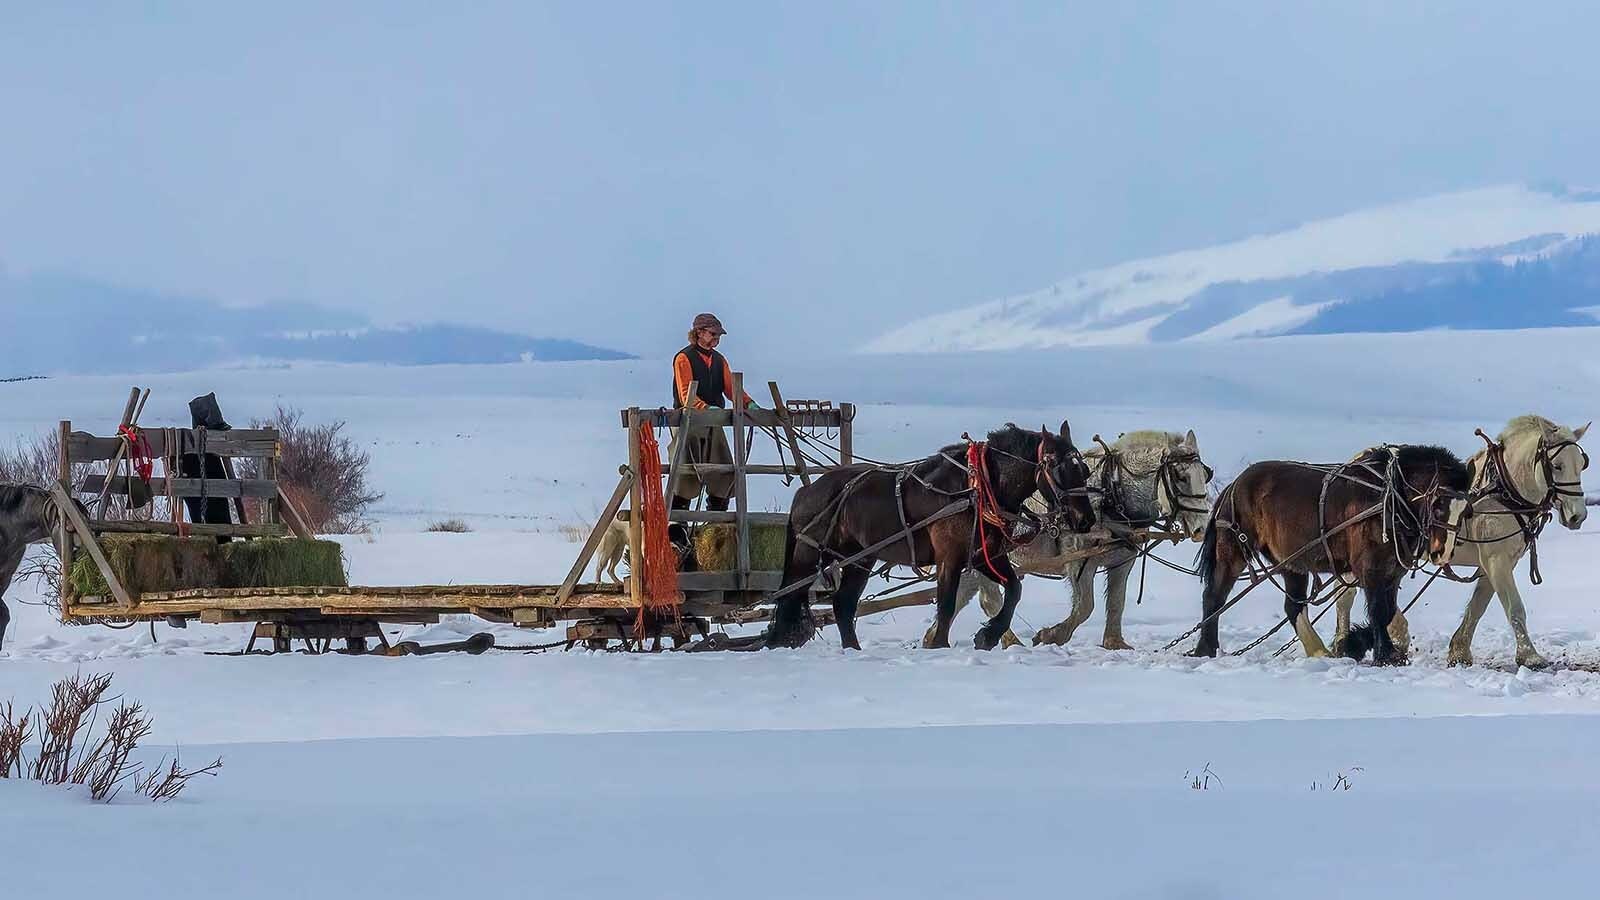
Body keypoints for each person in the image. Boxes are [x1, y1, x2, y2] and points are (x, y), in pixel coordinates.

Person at [668, 313, 756, 546]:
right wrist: (705, 408)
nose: (717, 338)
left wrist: (747, 404)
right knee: (684, 476)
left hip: (714, 424)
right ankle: (677, 532)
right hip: (689, 425)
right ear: (699, 333)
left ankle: (715, 527)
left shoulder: (719, 360)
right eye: (713, 333)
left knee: (724, 472)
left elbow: (731, 389)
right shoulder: (683, 359)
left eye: (719, 335)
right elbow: (687, 393)